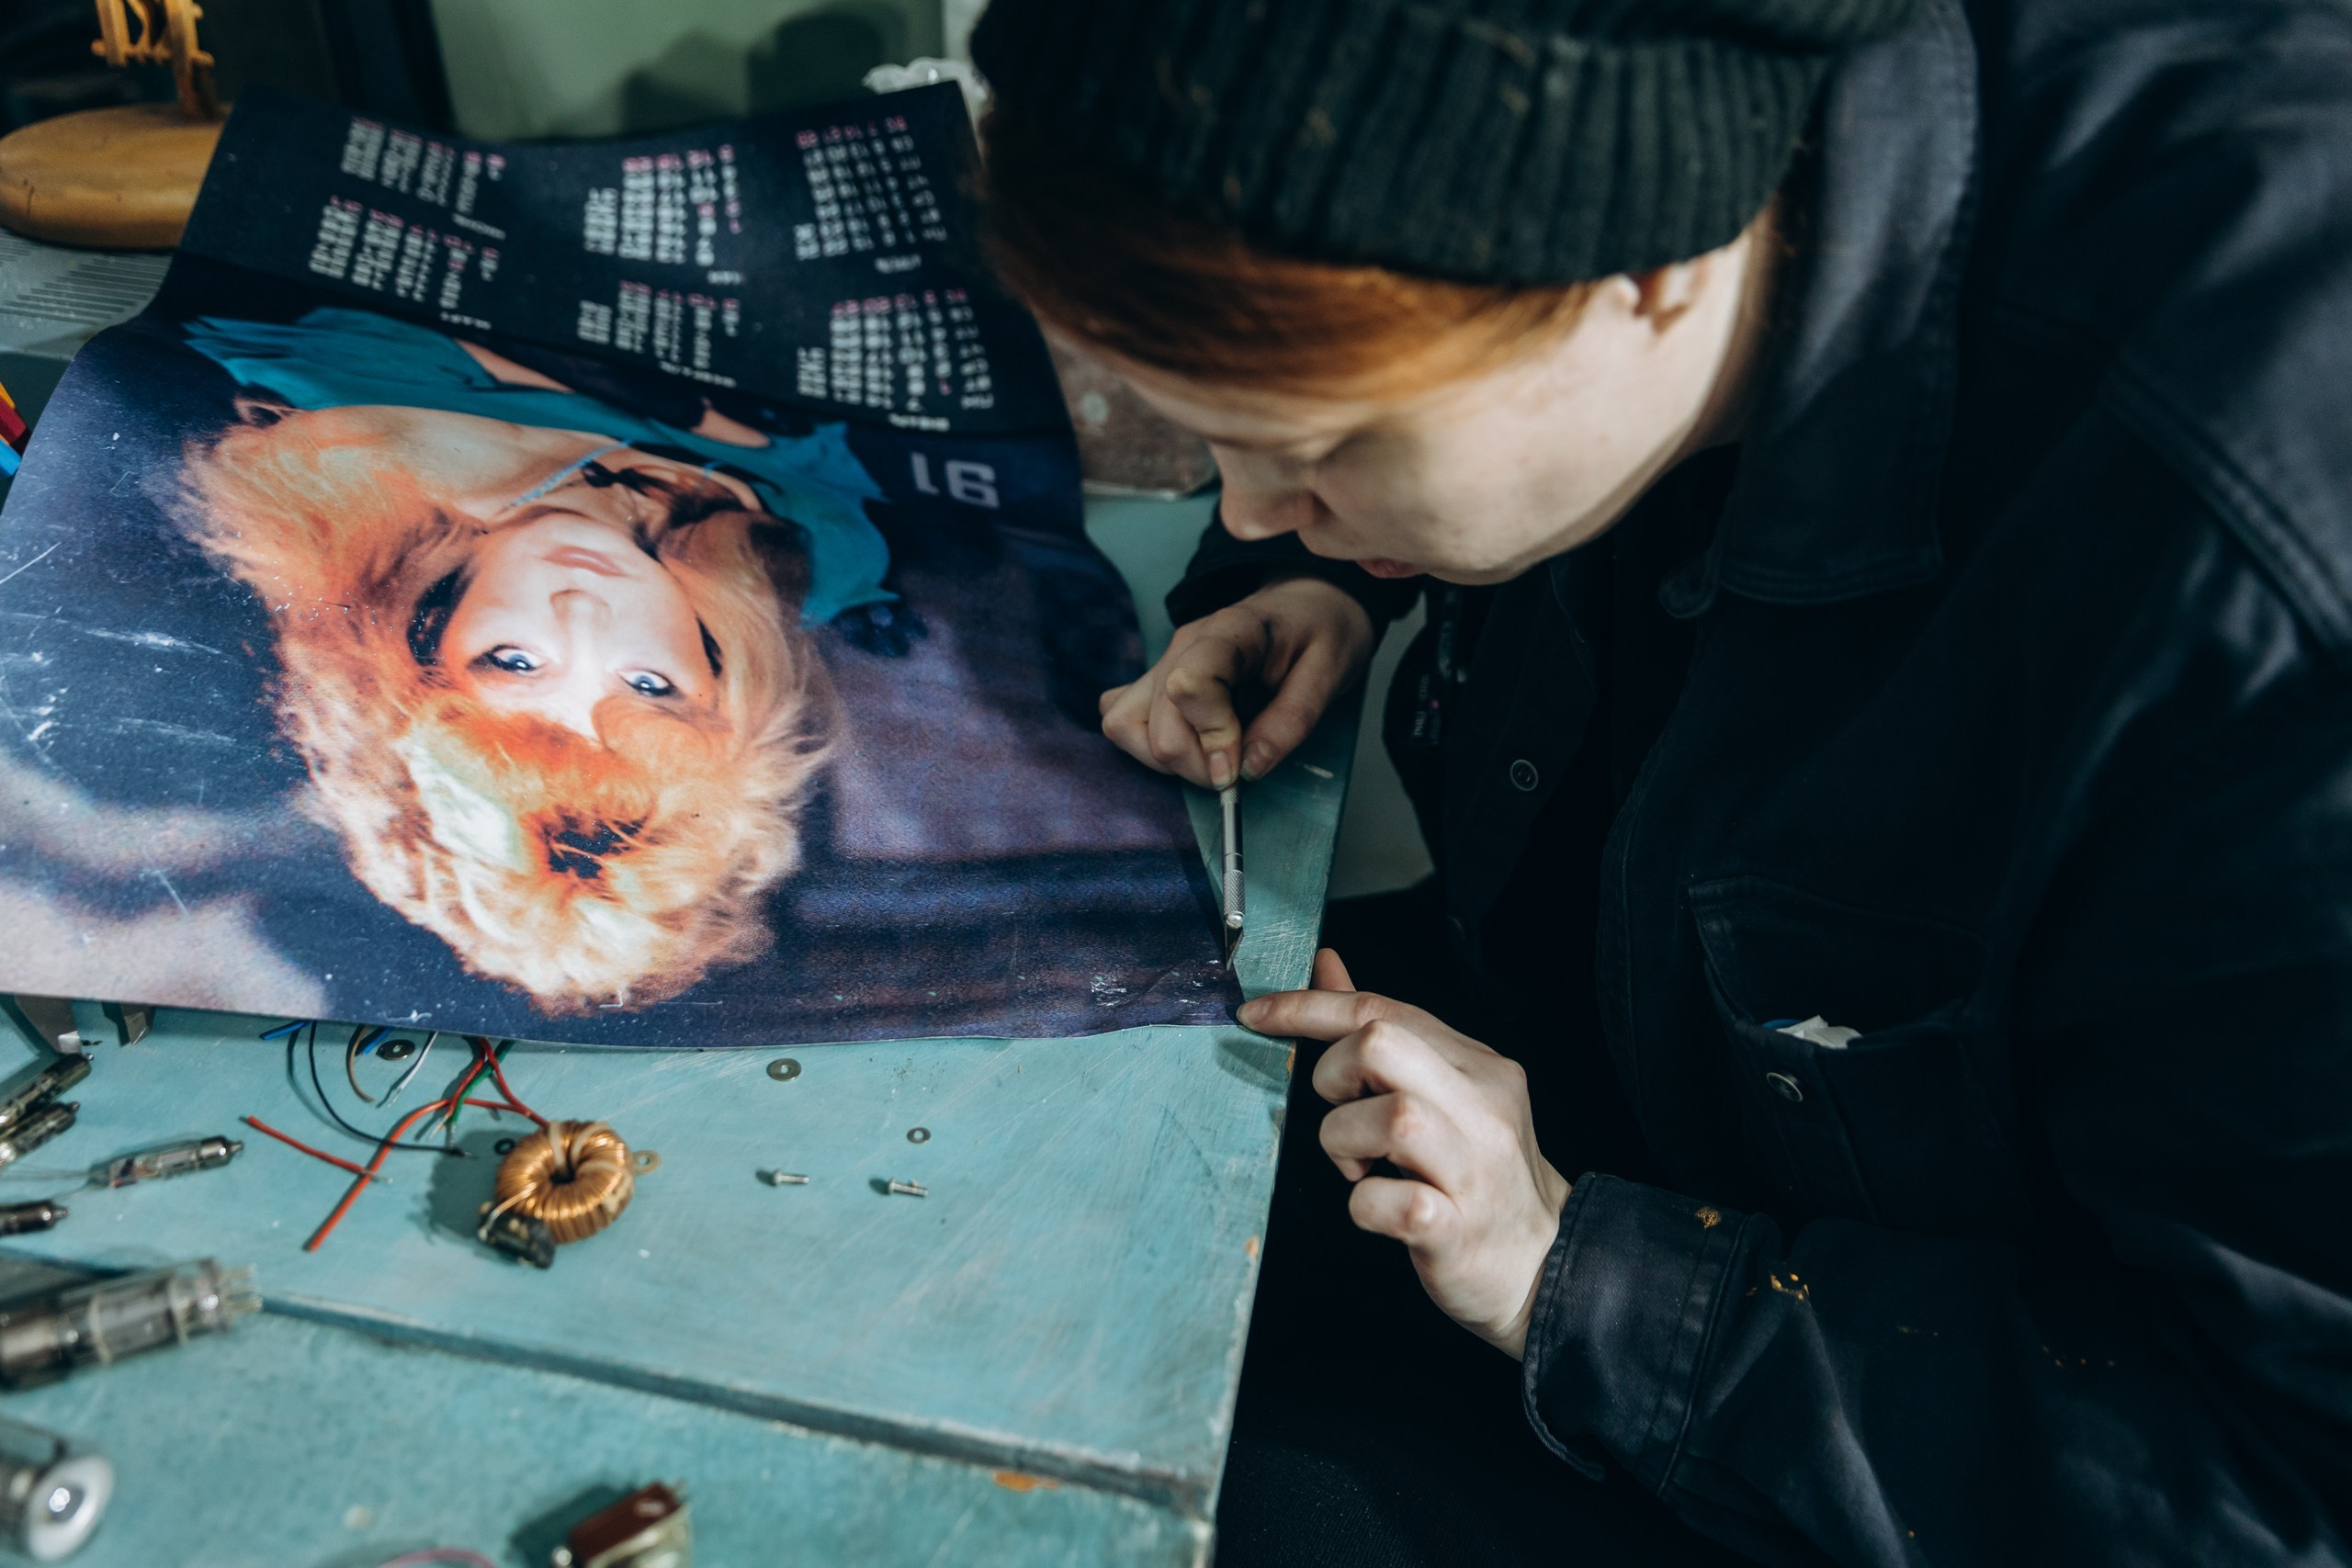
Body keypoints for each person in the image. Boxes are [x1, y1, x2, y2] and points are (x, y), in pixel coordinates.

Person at [970, 0, 2352, 1563]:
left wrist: (1576, 1274)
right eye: (1221, 438)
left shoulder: (2258, 609)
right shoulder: (1669, 130)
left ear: (1642, 266)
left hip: (1915, 1413)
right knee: (1030, 1204)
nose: (1252, 504)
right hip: (1614, 1064)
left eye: (1320, 443)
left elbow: (2279, 1480)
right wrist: (1325, 567)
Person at [169, 308, 887, 1014]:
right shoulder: (824, 556)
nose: (583, 612)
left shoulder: (356, 394)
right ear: (719, 685)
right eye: (648, 685)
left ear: (424, 641)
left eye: (513, 662)